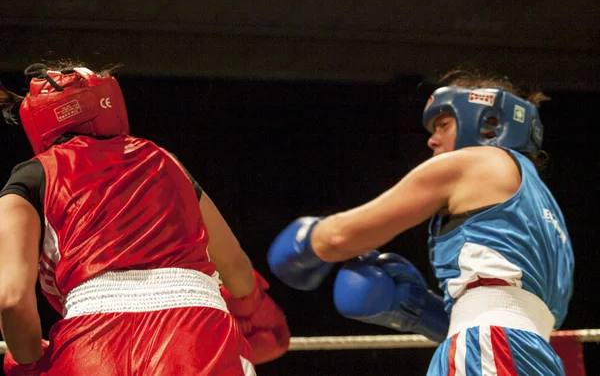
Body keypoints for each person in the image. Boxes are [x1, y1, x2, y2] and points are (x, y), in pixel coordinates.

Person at [268, 70, 575, 375]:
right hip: (535, 356)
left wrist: (307, 240)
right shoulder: (545, 207)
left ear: (488, 123)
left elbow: (339, 238)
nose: (432, 140)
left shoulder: (474, 162)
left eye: (444, 125)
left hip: (488, 347)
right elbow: (512, 310)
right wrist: (423, 312)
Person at [0, 63, 290, 376]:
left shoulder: (30, 177)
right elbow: (233, 264)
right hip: (196, 334)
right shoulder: (163, 160)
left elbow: (12, 300)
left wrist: (28, 364)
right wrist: (250, 308)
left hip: (92, 344)